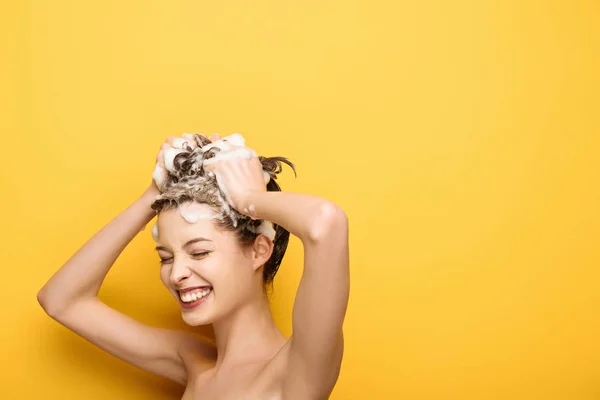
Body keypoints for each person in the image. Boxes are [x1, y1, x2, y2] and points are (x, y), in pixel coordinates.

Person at [37, 132, 350, 399]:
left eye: (199, 252)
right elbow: (61, 300)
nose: (176, 274)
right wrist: (153, 195)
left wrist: (246, 198)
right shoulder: (192, 360)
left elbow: (326, 223)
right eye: (166, 256)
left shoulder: (297, 369)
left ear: (259, 250)